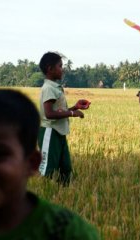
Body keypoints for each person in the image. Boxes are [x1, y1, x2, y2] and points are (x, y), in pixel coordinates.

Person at [0, 89, 99, 239]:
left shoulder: (67, 232)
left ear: (31, 163)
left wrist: (72, 110)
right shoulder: (49, 88)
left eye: (0, 155)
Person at [38, 52, 90, 186]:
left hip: (59, 132)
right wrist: (72, 114)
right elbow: (49, 114)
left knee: (65, 168)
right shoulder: (49, 88)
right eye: (60, 66)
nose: (63, 69)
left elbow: (59, 111)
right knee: (48, 170)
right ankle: (46, 197)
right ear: (50, 69)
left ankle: (65, 194)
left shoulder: (55, 87)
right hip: (50, 132)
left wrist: (74, 107)